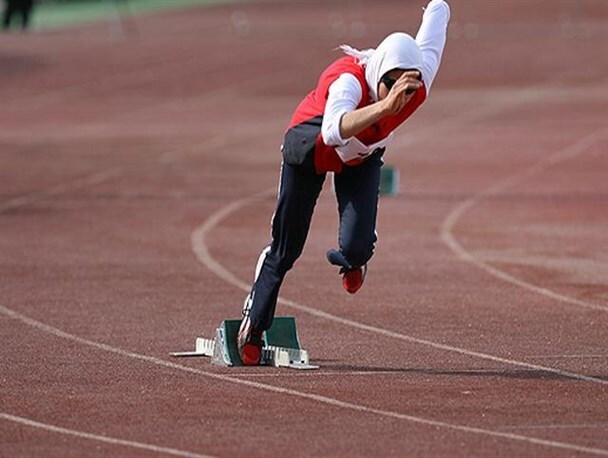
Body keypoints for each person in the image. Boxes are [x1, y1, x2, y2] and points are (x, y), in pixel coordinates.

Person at [237, 0, 451, 366]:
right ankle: (254, 322)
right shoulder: (349, 82)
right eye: (394, 88)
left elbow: (437, 19)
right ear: (379, 76)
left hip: (362, 154)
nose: (404, 98)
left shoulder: (419, 78)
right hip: (312, 145)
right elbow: (333, 129)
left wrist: (436, 4)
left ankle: (356, 258)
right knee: (286, 249)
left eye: (410, 88)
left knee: (356, 247)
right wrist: (385, 109)